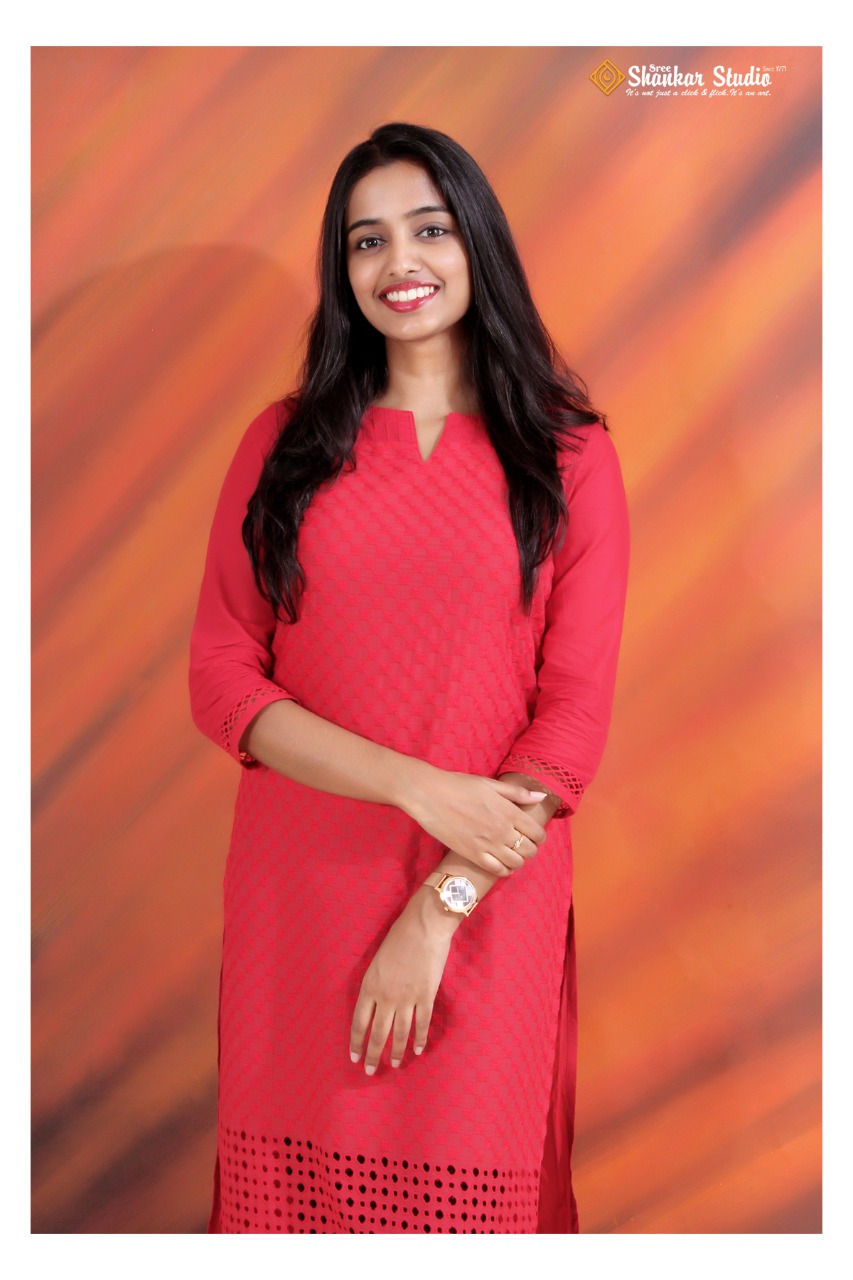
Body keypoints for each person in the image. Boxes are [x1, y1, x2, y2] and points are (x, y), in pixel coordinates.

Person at [189, 121, 630, 1235]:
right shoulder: (283, 446)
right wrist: (418, 786)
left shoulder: (569, 457)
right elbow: (224, 678)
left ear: (477, 242)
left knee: (466, 1216)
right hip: (299, 898)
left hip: (487, 895)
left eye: (429, 229)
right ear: (342, 270)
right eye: (366, 240)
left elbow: (570, 724)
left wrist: (437, 910)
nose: (400, 262)